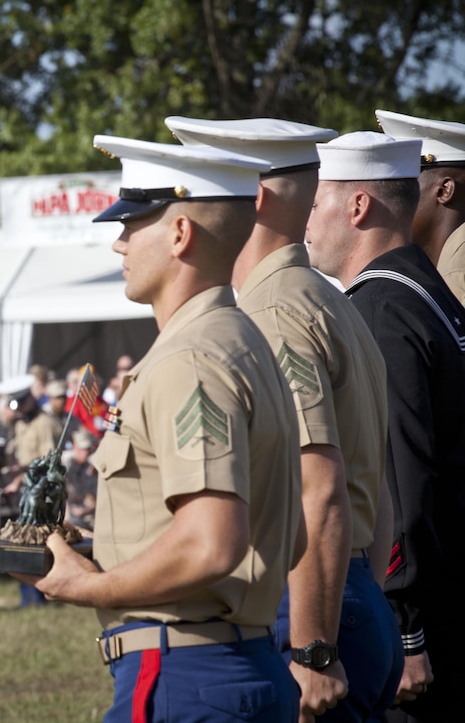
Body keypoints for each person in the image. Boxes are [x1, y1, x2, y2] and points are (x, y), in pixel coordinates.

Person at [20, 135, 304, 721]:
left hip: (186, 671)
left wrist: (88, 586)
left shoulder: (190, 358)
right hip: (232, 661)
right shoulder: (240, 339)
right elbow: (285, 536)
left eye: (131, 223)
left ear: (180, 234)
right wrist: (107, 552)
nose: (119, 241)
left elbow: (211, 541)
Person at [167, 115, 403, 721]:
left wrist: (314, 647)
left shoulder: (272, 313)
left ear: (257, 198)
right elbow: (374, 487)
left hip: (308, 603)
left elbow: (318, 489)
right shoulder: (327, 298)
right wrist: (352, 597)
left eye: (201, 189)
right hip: (341, 590)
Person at [306, 132, 465, 722]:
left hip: (428, 623)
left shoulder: (380, 308)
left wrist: (406, 632)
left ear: (357, 207)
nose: (307, 219)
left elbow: (401, 482)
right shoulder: (424, 292)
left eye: (318, 200)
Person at [376, 110, 465, 304]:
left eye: (405, 184)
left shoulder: (459, 268)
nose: (392, 196)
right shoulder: (445, 264)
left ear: (444, 191)